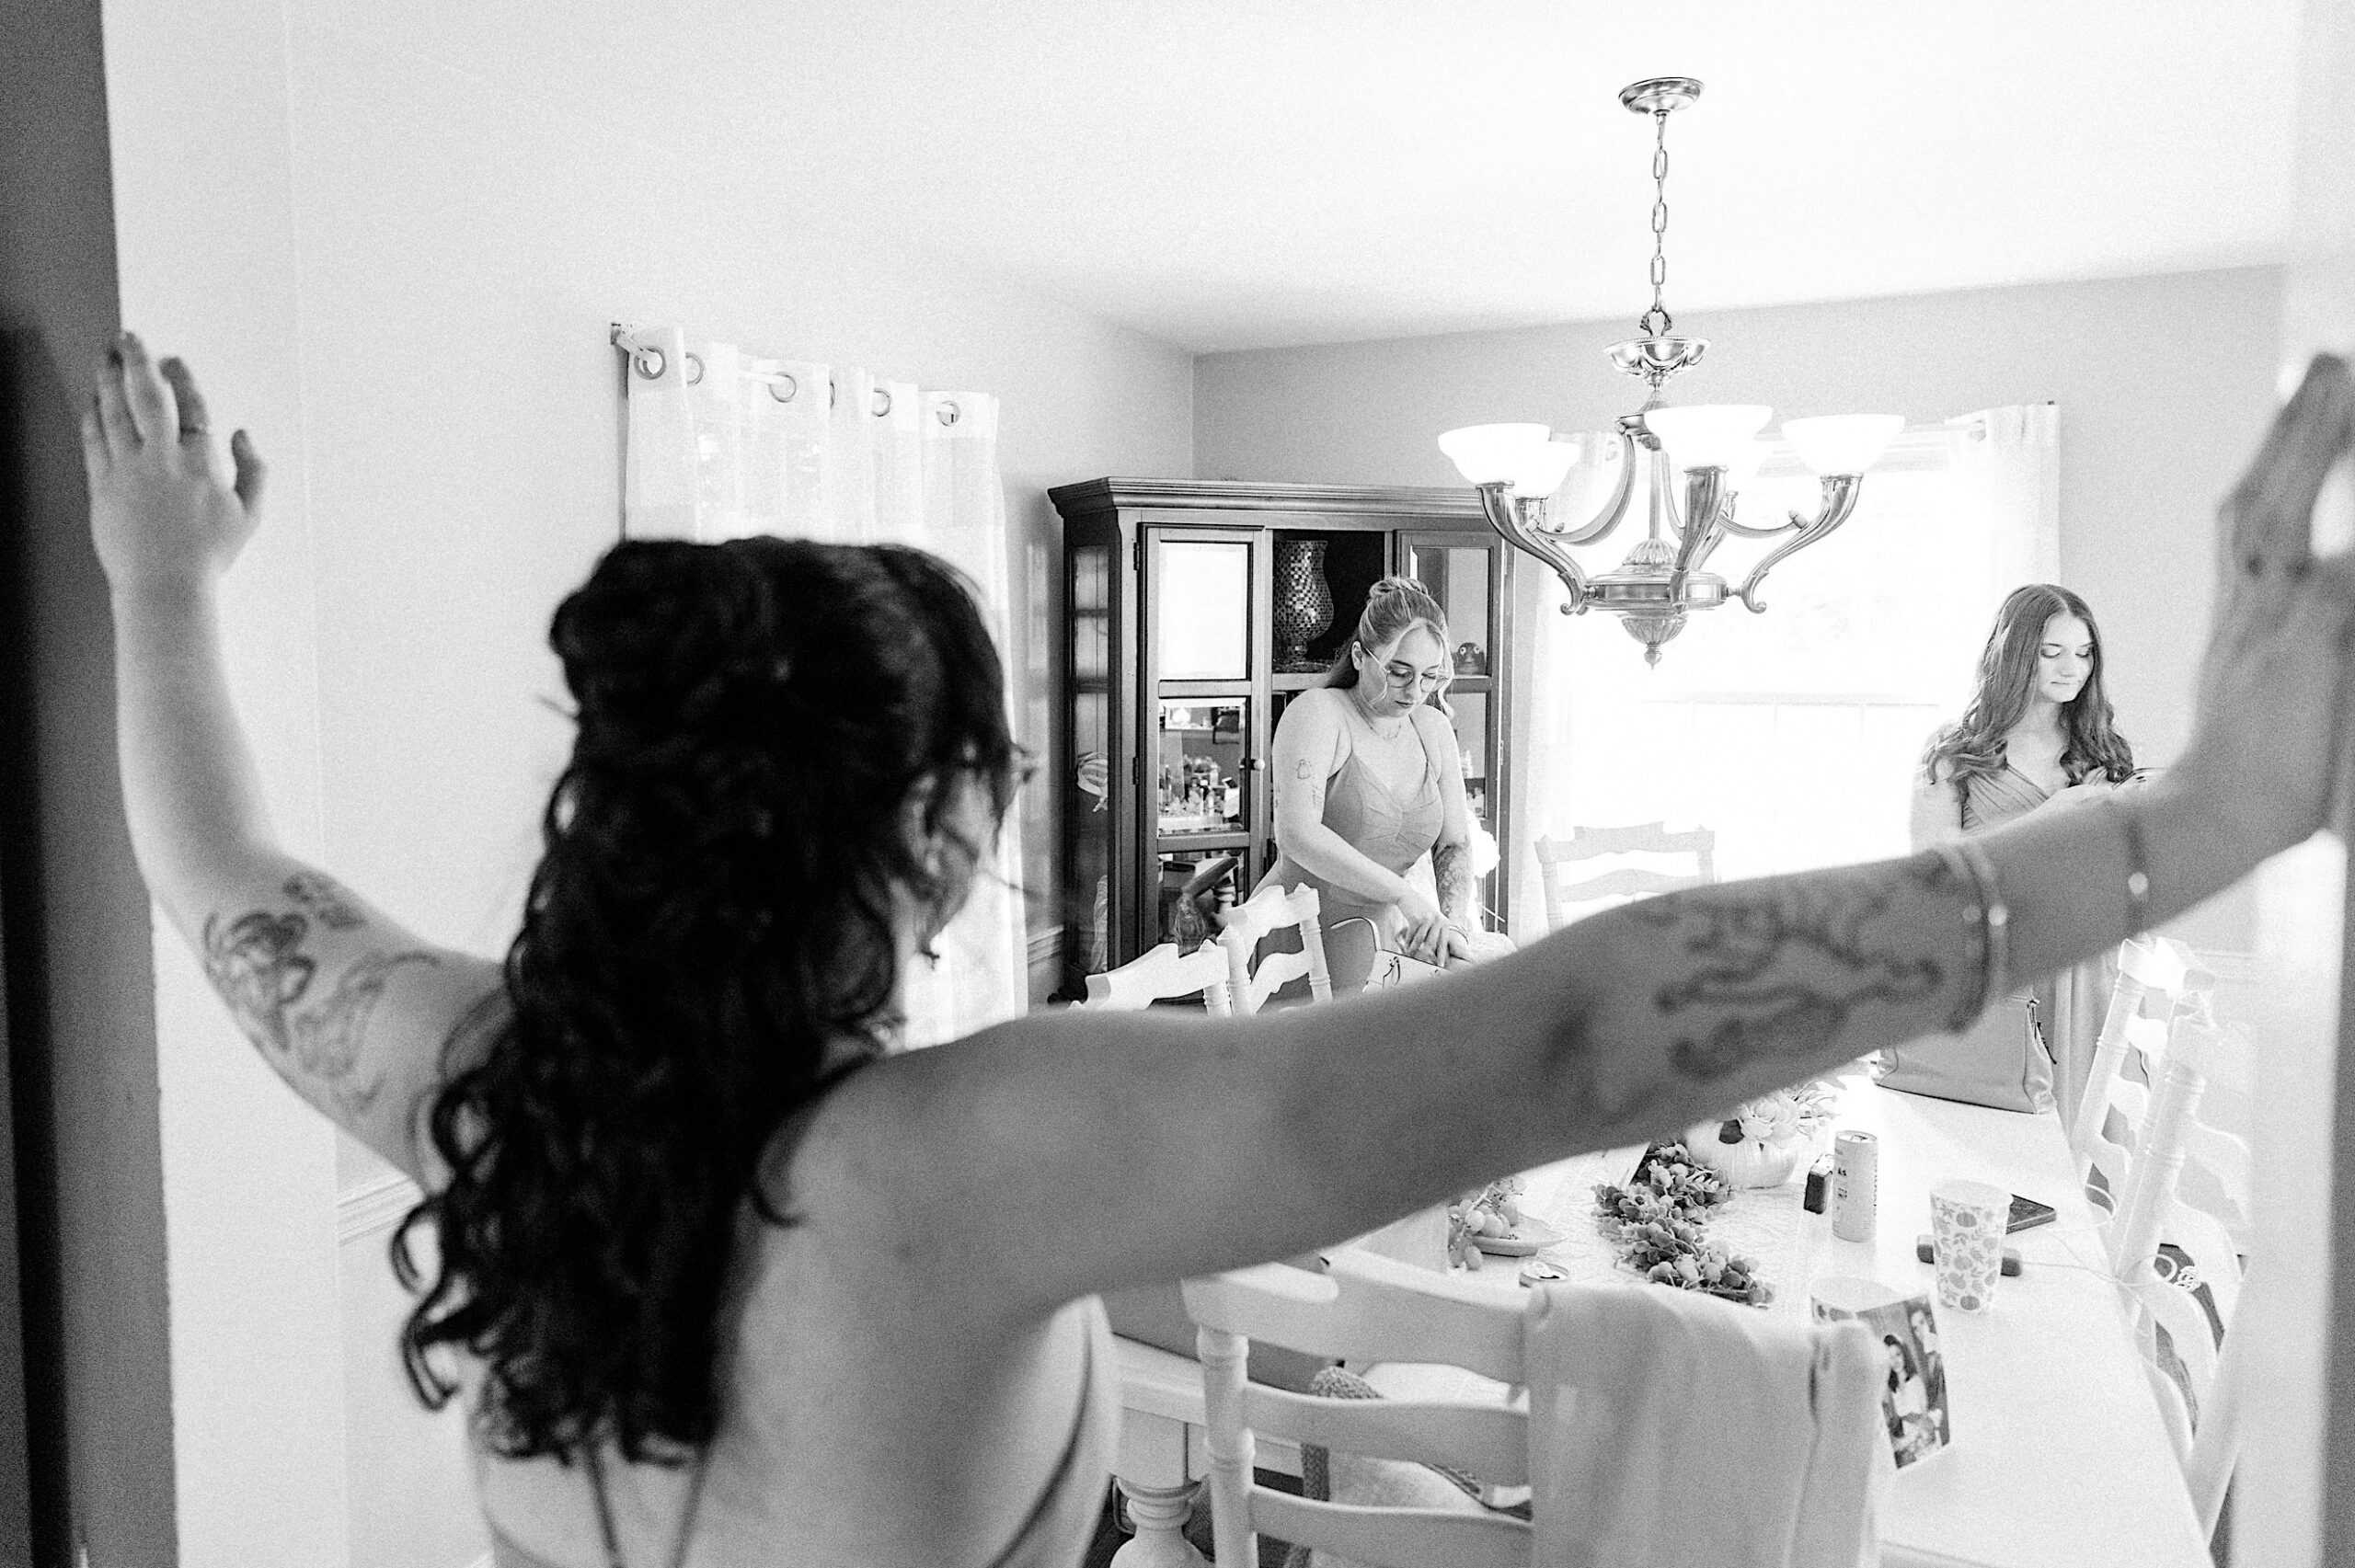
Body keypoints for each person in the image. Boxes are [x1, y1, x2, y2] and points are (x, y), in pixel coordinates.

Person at [84, 331, 2354, 1566]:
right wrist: (2195, 822)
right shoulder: (980, 1153)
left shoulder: (476, 1079)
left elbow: (212, 872)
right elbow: (1586, 1028)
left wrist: (161, 585)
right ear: (945, 830)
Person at [1910, 585, 2142, 1124]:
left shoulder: (2101, 748)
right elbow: (1932, 869)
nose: (2072, 668)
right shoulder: (1958, 750)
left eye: (2084, 653)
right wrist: (2050, 815)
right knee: (1999, 1127)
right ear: (2014, 654)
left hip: (2087, 961)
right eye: (2050, 652)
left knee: (2086, 1126)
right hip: (2001, 962)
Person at [1259, 577, 1490, 967]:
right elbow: (1297, 835)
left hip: (1386, 938)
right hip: (1300, 937)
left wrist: (1450, 926)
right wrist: (1403, 895)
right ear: (1359, 656)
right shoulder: (1318, 713)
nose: (1415, 691)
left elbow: (1453, 844)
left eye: (1429, 676)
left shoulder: (1432, 729)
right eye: (1399, 672)